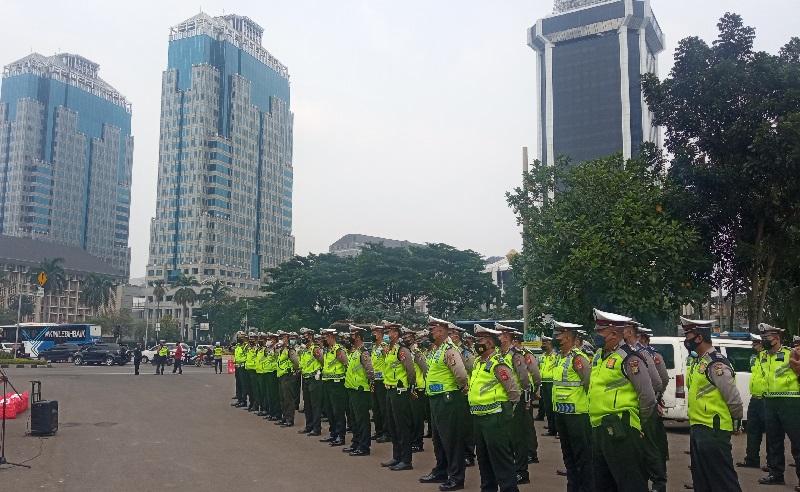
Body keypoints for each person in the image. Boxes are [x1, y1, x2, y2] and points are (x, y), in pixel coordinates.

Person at [589, 308, 656, 491]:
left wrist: (636, 425)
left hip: (622, 430)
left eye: (600, 331)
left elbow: (648, 397)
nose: (596, 335)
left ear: (613, 333)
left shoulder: (630, 358)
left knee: (630, 483)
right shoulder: (599, 357)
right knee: (603, 485)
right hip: (599, 428)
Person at [681, 317, 743, 492]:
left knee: (723, 481)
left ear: (699, 338)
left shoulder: (716, 363)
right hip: (699, 427)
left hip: (714, 429)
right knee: (702, 480)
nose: (686, 340)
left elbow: (733, 397)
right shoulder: (699, 361)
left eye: (688, 335)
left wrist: (736, 421)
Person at [419, 316, 469, 491]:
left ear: (441, 330)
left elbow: (462, 376)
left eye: (432, 330)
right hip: (436, 399)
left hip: (448, 400)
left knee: (451, 440)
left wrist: (459, 390)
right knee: (439, 439)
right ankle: (441, 470)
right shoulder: (437, 350)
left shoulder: (449, 350)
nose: (430, 333)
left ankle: (456, 477)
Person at [469, 324, 521, 492]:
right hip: (479, 417)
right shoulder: (478, 362)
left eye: (481, 340)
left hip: (495, 418)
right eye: (476, 340)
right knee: (484, 461)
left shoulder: (497, 364)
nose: (477, 343)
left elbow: (513, 391)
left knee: (501, 461)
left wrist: (506, 412)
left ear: (491, 343)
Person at [622, 322, 665, 492]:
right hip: (630, 411)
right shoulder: (620, 353)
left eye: (622, 329)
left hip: (644, 408)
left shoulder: (641, 353)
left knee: (650, 448)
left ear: (630, 332)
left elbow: (659, 381)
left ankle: (658, 484)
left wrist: (652, 399)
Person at [757, 322, 800, 489]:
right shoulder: (763, 356)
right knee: (773, 440)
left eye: (765, 337)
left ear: (776, 338)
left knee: (797, 441)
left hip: (790, 400)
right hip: (770, 401)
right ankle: (776, 474)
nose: (763, 340)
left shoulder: (792, 353)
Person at [552, 321, 593, 492]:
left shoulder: (578, 358)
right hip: (562, 414)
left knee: (582, 458)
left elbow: (589, 383)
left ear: (568, 336)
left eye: (559, 335)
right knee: (568, 457)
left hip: (577, 414)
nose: (556, 339)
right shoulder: (560, 358)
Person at [495, 323, 533, 485]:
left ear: (507, 336)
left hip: (517, 399)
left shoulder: (515, 354)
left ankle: (522, 471)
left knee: (518, 436)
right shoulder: (499, 354)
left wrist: (526, 396)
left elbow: (523, 377)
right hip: (504, 401)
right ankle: (511, 469)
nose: (498, 337)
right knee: (507, 436)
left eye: (501, 335)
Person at [381, 323, 416, 471]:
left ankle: (406, 460)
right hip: (389, 390)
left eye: (389, 331)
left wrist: (408, 388)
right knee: (393, 425)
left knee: (402, 426)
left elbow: (411, 371)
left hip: (400, 391)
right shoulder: (390, 350)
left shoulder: (402, 350)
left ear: (396, 333)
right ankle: (397, 456)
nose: (387, 334)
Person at [343, 324, 375, 456]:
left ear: (359, 337)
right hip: (352, 389)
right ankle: (356, 442)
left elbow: (370, 371)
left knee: (362, 420)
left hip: (360, 390)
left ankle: (364, 446)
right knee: (355, 419)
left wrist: (369, 385)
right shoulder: (355, 352)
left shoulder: (363, 352)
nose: (350, 337)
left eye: (352, 335)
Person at [737, 334, 766, 469]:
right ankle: (752, 459)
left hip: (767, 398)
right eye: (753, 343)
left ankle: (773, 464)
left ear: (762, 343)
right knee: (752, 430)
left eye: (756, 343)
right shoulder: (754, 358)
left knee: (772, 433)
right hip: (755, 398)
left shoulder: (770, 357)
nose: (753, 346)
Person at [320, 325, 348, 447]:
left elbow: (346, 363)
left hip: (337, 384)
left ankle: (340, 436)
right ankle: (333, 434)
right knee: (330, 410)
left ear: (331, 337)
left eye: (326, 337)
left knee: (338, 411)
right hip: (327, 383)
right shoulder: (327, 350)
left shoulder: (338, 350)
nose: (324, 340)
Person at [298, 327, 324, 436]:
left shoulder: (315, 348)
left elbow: (323, 361)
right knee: (307, 404)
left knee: (315, 404)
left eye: (306, 335)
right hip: (305, 378)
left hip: (315, 378)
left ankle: (316, 428)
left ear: (311, 337)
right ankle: (308, 426)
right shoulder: (303, 350)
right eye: (303, 335)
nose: (304, 337)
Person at [371, 324, 390, 443]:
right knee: (375, 407)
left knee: (383, 408)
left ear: (381, 334)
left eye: (375, 333)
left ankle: (386, 433)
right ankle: (378, 431)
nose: (373, 335)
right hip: (374, 380)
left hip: (382, 380)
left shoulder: (384, 346)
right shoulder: (374, 347)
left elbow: (388, 361)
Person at [276, 331, 301, 427]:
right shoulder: (280, 350)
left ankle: (289, 419)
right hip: (281, 376)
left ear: (287, 338)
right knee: (282, 398)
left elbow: (296, 362)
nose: (281, 339)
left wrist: (293, 371)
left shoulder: (290, 350)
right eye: (280, 337)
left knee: (288, 399)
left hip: (287, 376)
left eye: (283, 337)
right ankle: (284, 417)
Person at [537, 336, 558, 438]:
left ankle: (556, 428)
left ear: (551, 344)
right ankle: (551, 428)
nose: (544, 345)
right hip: (544, 383)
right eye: (543, 343)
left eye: (546, 343)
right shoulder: (541, 357)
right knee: (548, 407)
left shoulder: (556, 356)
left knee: (554, 407)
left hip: (552, 383)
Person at [232, 332, 248, 407]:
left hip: (243, 366)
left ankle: (243, 401)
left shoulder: (246, 346)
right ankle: (239, 399)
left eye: (241, 337)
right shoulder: (238, 346)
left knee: (243, 384)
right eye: (238, 337)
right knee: (238, 383)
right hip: (237, 366)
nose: (239, 338)